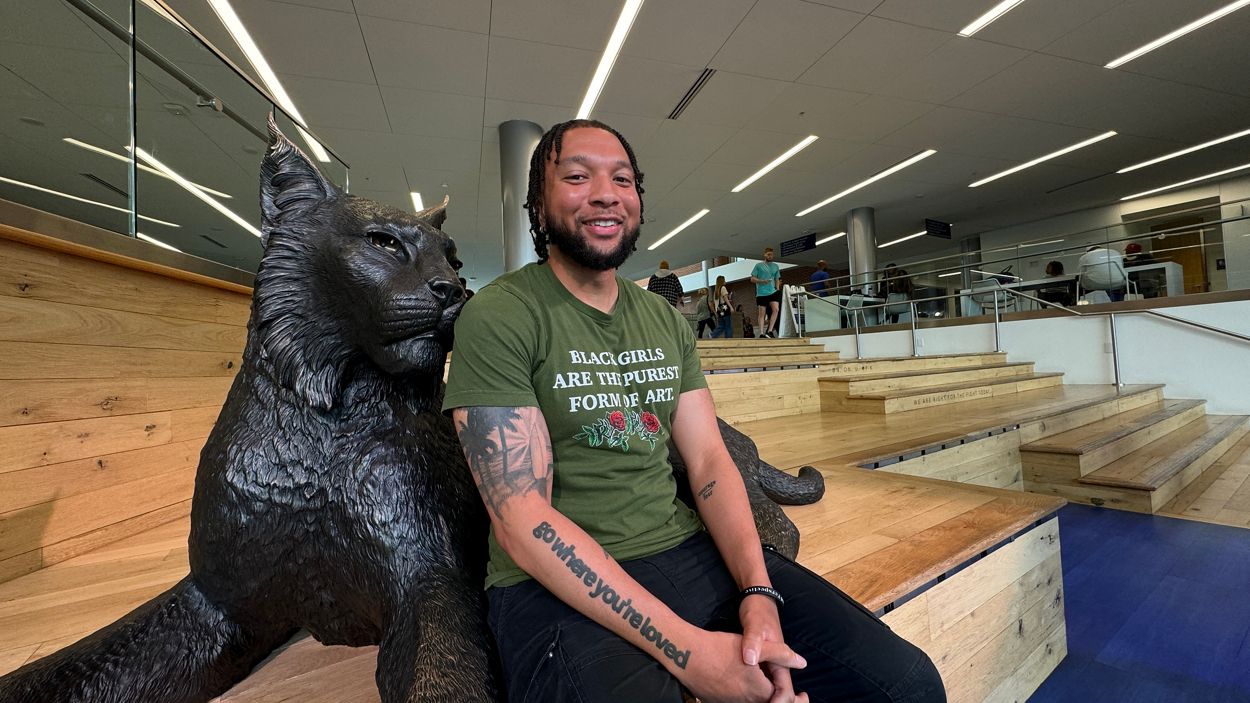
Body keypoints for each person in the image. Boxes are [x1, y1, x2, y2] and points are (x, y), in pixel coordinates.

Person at [444, 119, 944, 703]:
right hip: (552, 586)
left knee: (906, 684)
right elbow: (521, 520)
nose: (606, 194)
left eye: (622, 180)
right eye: (577, 177)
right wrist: (689, 652)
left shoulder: (662, 320)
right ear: (538, 201)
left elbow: (709, 461)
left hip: (683, 551)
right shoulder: (501, 314)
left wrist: (758, 593)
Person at [751, 248, 782, 338]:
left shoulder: (775, 266)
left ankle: (770, 331)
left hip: (773, 292)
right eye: (768, 254)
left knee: (776, 309)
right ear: (764, 255)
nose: (770, 256)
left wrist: (777, 289)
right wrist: (762, 281)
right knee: (762, 313)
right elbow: (752, 279)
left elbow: (777, 278)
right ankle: (761, 333)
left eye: (771, 254)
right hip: (761, 293)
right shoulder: (758, 266)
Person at [711, 275, 733, 339]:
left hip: (719, 309)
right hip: (724, 308)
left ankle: (713, 335)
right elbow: (725, 299)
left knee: (721, 325)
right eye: (724, 280)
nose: (725, 281)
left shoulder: (716, 291)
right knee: (728, 326)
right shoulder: (723, 288)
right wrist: (731, 307)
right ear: (722, 281)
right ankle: (728, 339)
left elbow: (715, 302)